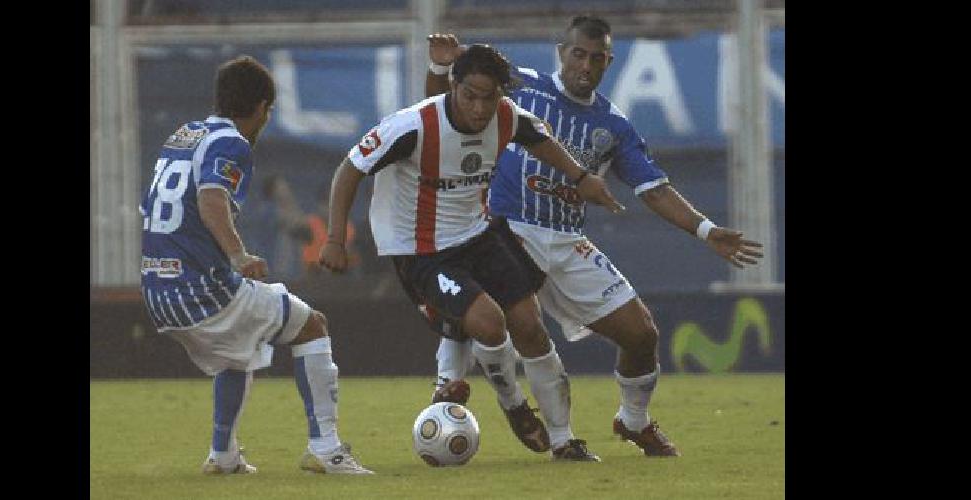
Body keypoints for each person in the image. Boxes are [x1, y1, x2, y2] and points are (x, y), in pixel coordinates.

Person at [422, 16, 765, 458]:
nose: (585, 65)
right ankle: (472, 396)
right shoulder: (517, 83)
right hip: (504, 229)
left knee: (641, 334)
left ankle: (633, 420)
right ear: (561, 53)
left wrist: (706, 229)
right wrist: (440, 67)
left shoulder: (613, 125)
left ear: (609, 62)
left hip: (566, 239)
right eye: (578, 54)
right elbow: (443, 111)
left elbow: (653, 189)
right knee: (517, 323)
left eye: (597, 58)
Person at [318, 44, 625, 461]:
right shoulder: (413, 125)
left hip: (478, 234)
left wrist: (581, 178)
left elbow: (542, 140)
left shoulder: (507, 116)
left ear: (501, 93)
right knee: (488, 322)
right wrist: (336, 238)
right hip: (421, 250)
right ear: (454, 86)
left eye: (490, 96)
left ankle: (563, 439)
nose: (480, 108)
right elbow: (350, 168)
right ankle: (515, 406)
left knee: (531, 327)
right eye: (470, 95)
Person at [138, 55, 373, 475]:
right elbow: (211, 201)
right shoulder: (232, 143)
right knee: (312, 325)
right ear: (263, 107)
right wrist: (238, 254)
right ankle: (327, 449)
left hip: (157, 289)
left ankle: (223, 455)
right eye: (269, 111)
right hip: (200, 290)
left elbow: (152, 206)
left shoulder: (184, 134)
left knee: (238, 353)